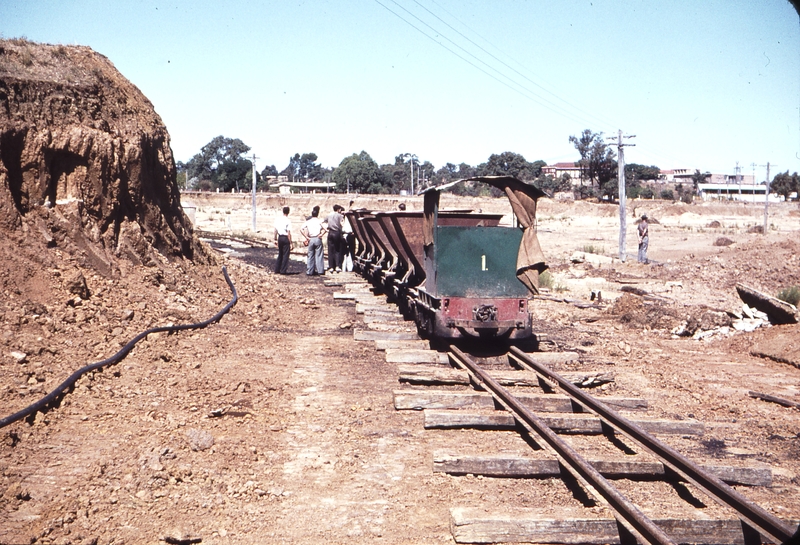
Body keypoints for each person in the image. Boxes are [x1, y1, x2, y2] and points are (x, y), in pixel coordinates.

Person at [301, 206, 326, 275]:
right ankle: (320, 270)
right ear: (317, 214)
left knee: (310, 255)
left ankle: (310, 271)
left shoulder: (308, 222)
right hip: (318, 238)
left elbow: (301, 229)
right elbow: (326, 229)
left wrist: (306, 237)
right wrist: (322, 234)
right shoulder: (319, 221)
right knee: (319, 255)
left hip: (311, 238)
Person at [324, 204, 344, 272]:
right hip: (336, 232)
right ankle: (337, 266)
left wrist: (326, 229)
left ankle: (331, 266)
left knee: (330, 250)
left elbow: (323, 221)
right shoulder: (340, 215)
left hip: (330, 232)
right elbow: (342, 224)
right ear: (338, 209)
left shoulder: (329, 214)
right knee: (337, 250)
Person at [273, 206, 292, 275]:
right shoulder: (288, 220)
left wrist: (274, 239)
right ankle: (283, 270)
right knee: (286, 255)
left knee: (280, 254)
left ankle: (277, 269)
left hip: (280, 237)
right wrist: (291, 242)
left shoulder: (278, 219)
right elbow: (289, 232)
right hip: (285, 237)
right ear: (288, 212)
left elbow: (275, 230)